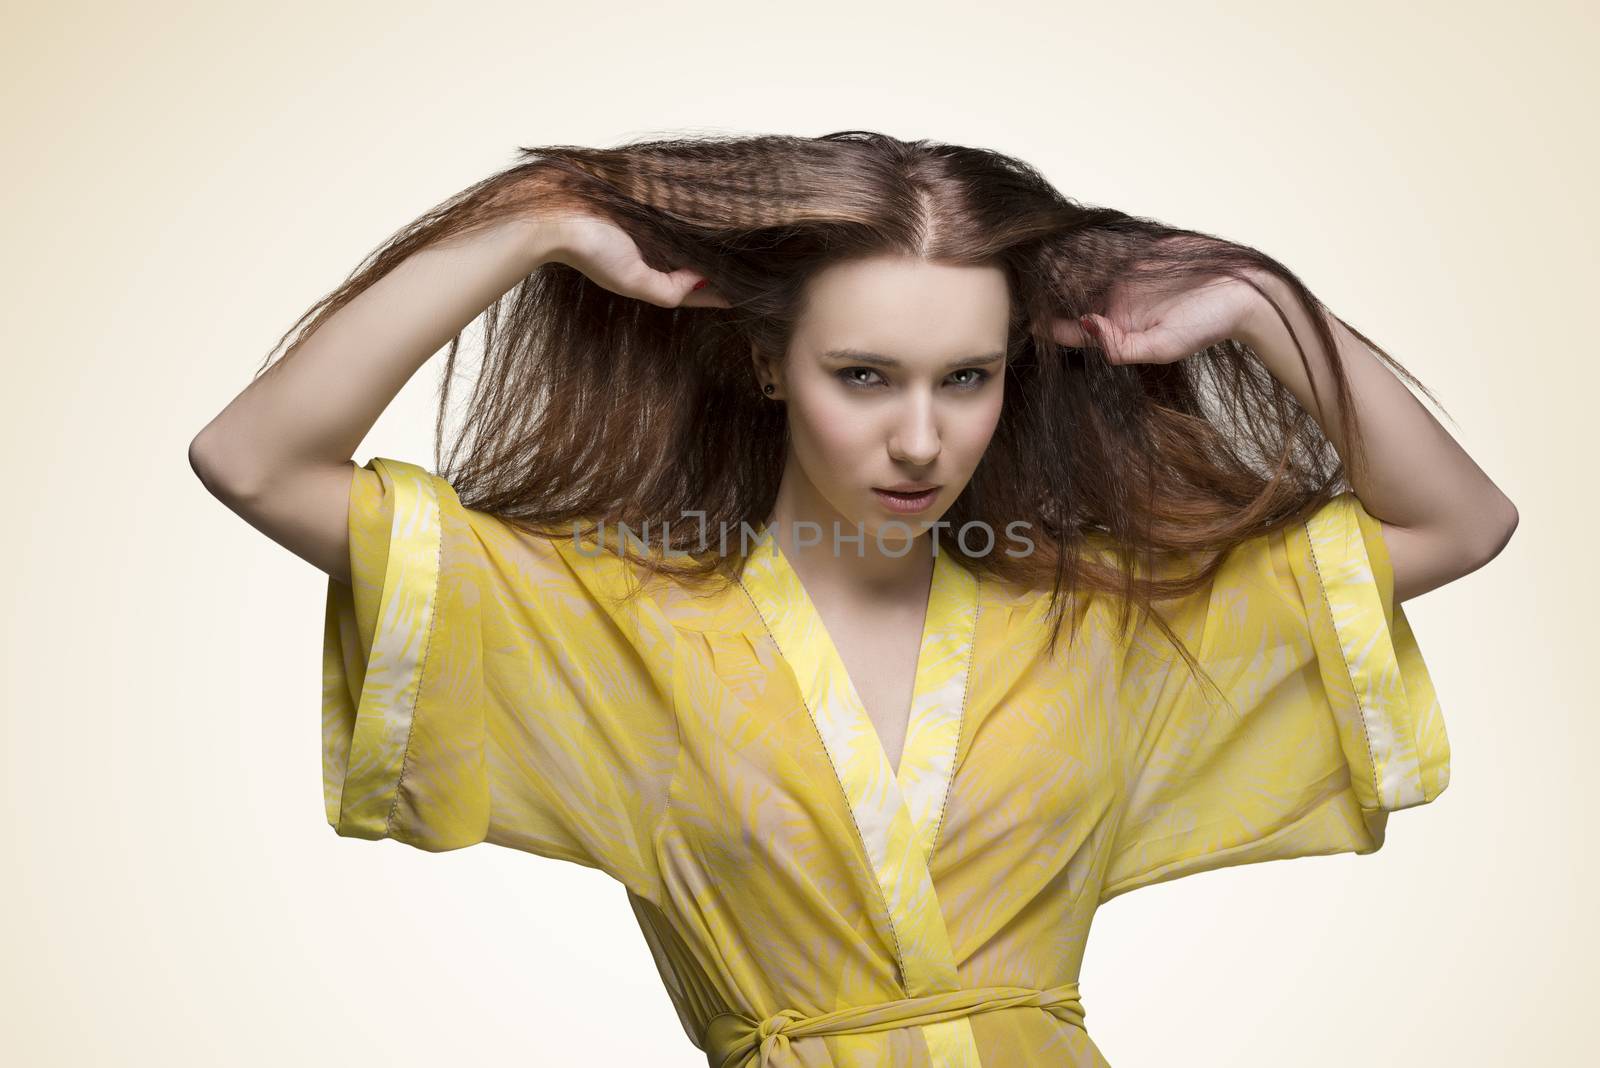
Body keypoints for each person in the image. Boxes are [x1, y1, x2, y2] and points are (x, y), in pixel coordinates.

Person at [189, 131, 1516, 1067]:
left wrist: (1256, 307)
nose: (925, 442)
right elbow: (253, 461)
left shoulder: (1104, 626)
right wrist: (535, 218)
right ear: (772, 366)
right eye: (866, 376)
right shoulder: (617, 624)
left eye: (969, 379)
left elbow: (1461, 521)